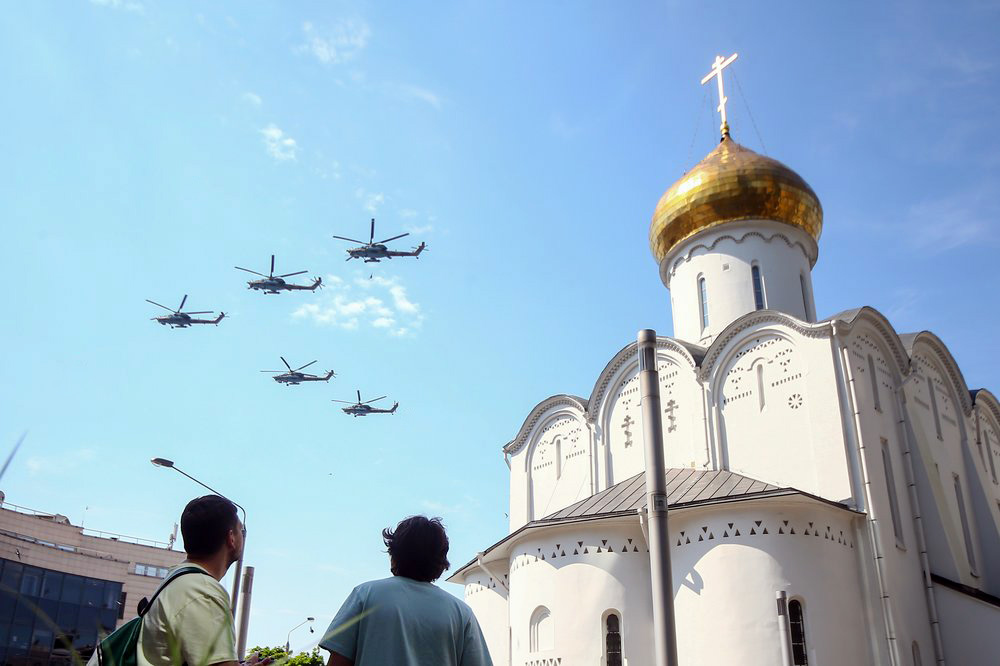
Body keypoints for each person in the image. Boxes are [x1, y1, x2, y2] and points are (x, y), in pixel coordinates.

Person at [321, 516, 493, 666]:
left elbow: (339, 661)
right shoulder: (461, 614)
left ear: (394, 553)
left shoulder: (365, 595)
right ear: (441, 561)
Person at [137, 495, 246, 666]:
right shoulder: (203, 593)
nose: (243, 536)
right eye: (242, 530)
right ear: (231, 537)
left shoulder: (179, 580)